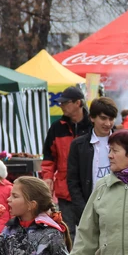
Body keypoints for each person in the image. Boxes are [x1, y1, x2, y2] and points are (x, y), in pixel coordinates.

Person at [66, 96, 118, 255]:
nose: (108, 123)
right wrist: (82, 210)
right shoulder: (80, 145)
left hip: (121, 209)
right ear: (93, 118)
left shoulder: (123, 141)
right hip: (93, 211)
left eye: (111, 119)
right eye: (104, 118)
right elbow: (73, 181)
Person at [41, 86, 92, 239]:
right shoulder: (56, 128)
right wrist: (47, 179)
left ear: (78, 103)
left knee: (89, 233)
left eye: (65, 102)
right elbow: (49, 158)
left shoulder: (93, 126)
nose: (61, 105)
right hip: (64, 188)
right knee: (66, 232)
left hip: (89, 189)